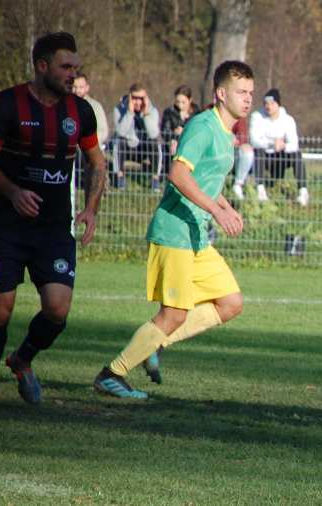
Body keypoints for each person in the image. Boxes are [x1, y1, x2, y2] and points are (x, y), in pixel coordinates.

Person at [93, 60, 254, 399]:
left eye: (251, 92)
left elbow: (205, 179)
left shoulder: (226, 134)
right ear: (221, 94)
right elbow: (179, 174)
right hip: (175, 231)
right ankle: (113, 373)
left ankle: (157, 342)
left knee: (231, 302)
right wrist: (214, 209)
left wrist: (224, 206)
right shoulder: (203, 126)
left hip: (195, 233)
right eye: (241, 92)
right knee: (174, 314)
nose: (248, 99)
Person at [0, 32, 107, 408]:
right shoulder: (9, 104)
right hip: (6, 224)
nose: (72, 74)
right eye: (65, 66)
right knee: (0, 306)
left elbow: (97, 164)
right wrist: (14, 192)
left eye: (76, 67)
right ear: (42, 66)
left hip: (54, 228)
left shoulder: (80, 112)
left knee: (57, 309)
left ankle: (22, 360)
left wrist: (90, 209)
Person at [248, 88, 309, 206]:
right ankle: (260, 190)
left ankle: (303, 191)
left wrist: (282, 145)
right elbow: (254, 140)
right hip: (264, 156)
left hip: (281, 156)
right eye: (266, 103)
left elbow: (294, 144)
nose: (268, 106)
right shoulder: (257, 117)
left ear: (278, 104)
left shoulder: (288, 120)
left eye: (272, 103)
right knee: (258, 152)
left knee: (297, 155)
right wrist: (271, 144)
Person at [113, 83, 161, 190]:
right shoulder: (119, 109)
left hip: (144, 148)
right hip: (128, 147)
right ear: (130, 97)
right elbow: (120, 132)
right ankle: (120, 177)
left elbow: (153, 134)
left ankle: (155, 179)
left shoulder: (153, 111)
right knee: (118, 142)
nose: (138, 102)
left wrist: (146, 114)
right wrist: (129, 113)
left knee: (155, 143)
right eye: (135, 98)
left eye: (141, 98)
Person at [161, 85, 201, 156]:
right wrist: (173, 135)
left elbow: (199, 132)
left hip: (192, 147)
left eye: (183, 102)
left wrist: (185, 132)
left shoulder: (197, 114)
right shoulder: (169, 112)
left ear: (190, 100)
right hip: (173, 148)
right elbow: (164, 132)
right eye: (177, 101)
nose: (180, 105)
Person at [72, 72, 109, 147]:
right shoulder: (65, 105)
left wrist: (86, 144)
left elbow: (103, 131)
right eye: (75, 87)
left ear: (87, 88)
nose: (77, 90)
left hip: (90, 151)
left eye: (81, 87)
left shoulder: (96, 107)